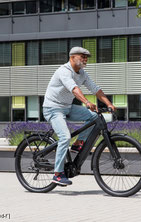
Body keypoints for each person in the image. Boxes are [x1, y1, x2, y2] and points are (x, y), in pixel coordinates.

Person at [43, 46, 116, 186]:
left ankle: (78, 143)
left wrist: (108, 103)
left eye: (86, 57)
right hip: (53, 109)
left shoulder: (82, 73)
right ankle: (58, 174)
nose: (85, 59)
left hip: (67, 107)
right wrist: (87, 102)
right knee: (65, 137)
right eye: (82, 56)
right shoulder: (64, 71)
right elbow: (74, 89)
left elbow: (95, 88)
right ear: (72, 57)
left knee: (94, 116)